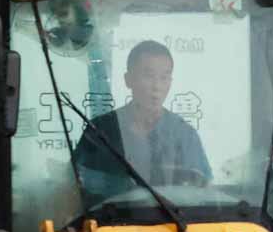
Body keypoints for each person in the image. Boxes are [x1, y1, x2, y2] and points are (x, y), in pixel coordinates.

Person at [75, 40, 212, 191]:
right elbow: (76, 187)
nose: (157, 87)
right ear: (128, 80)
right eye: (149, 76)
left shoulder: (184, 134)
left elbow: (202, 191)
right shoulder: (100, 131)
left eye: (164, 77)